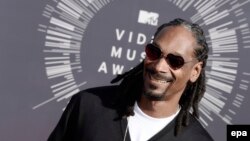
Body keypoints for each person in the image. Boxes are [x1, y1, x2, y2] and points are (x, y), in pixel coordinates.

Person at [48, 18, 214, 141]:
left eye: (175, 61)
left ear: (195, 71)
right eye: (154, 52)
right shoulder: (88, 106)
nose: (158, 67)